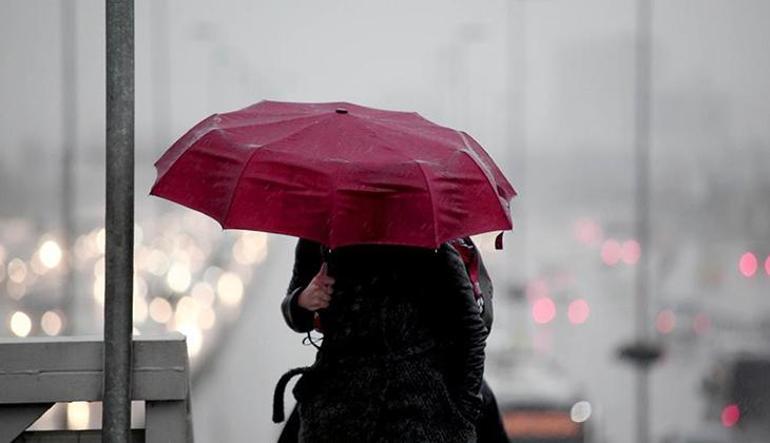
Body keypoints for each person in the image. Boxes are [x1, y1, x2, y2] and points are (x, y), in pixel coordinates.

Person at [273, 238, 487, 443]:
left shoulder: (430, 239)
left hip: (418, 412)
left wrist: (464, 411)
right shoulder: (322, 233)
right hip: (335, 410)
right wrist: (303, 300)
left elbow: (471, 327)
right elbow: (296, 313)